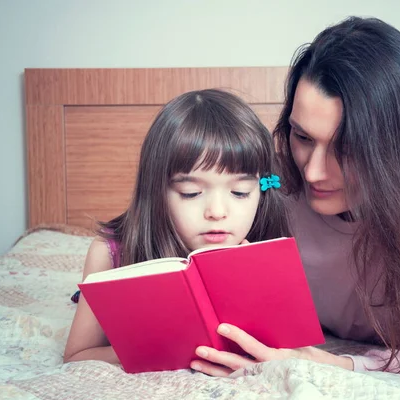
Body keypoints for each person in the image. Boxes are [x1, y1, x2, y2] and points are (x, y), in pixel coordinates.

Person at [190, 16, 400, 376]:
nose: (313, 171)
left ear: (398, 146)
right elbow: (178, 206)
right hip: (345, 309)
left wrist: (337, 364)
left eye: (345, 149)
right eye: (302, 138)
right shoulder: (274, 181)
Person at [63, 89, 289, 364]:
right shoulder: (110, 253)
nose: (217, 213)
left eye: (240, 192)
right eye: (191, 193)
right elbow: (78, 356)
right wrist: (175, 347)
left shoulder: (271, 247)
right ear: (158, 192)